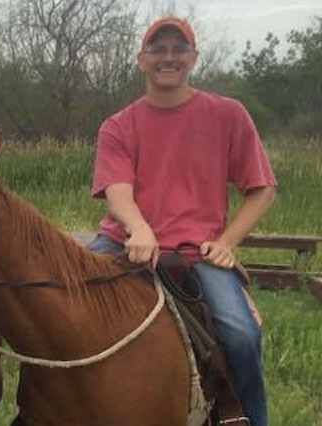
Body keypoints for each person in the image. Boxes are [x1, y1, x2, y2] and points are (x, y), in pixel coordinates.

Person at [86, 16, 275, 426]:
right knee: (58, 301)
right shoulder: (119, 125)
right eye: (158, 49)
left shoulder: (228, 115)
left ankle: (245, 416)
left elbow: (261, 189)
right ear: (141, 60)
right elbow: (118, 190)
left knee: (241, 334)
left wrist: (227, 242)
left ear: (193, 57)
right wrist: (139, 228)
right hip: (124, 240)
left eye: (177, 49)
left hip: (197, 251)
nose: (167, 58)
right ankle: (42, 408)